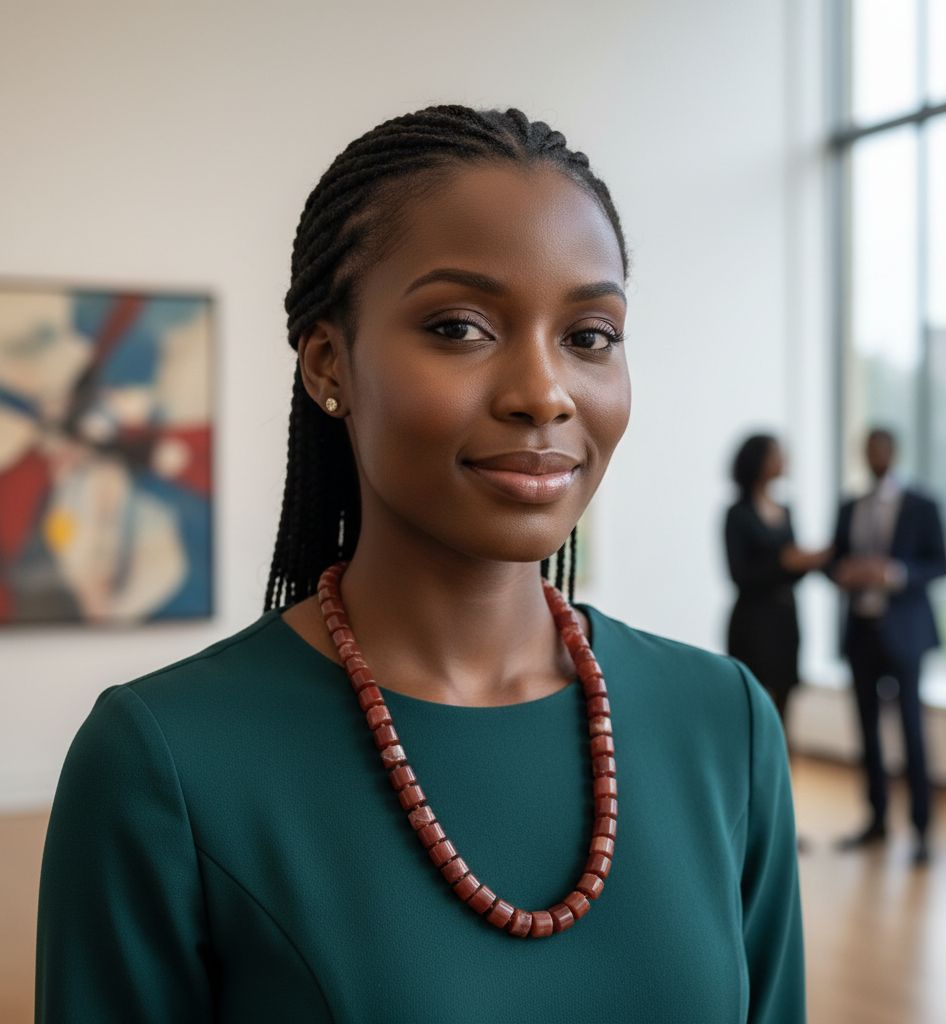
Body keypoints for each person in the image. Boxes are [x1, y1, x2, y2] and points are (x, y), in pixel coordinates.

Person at [36, 105, 805, 1023]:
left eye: (589, 335)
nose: (544, 393)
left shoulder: (724, 725)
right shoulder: (163, 763)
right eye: (459, 327)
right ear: (330, 364)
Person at [829, 427, 946, 866]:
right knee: (867, 731)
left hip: (906, 633)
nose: (875, 455)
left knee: (913, 731)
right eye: (868, 449)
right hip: (861, 633)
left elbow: (940, 564)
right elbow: (834, 562)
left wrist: (893, 574)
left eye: (881, 448)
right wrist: (845, 573)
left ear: (894, 453)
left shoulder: (922, 505)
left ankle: (922, 830)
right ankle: (877, 819)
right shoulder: (849, 506)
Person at [724, 433, 833, 733]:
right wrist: (784, 562)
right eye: (775, 454)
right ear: (757, 461)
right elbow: (738, 574)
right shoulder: (737, 514)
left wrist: (808, 562)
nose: (783, 460)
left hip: (785, 618)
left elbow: (792, 568)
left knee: (784, 704)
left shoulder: (786, 510)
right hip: (753, 621)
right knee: (750, 704)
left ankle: (780, 776)